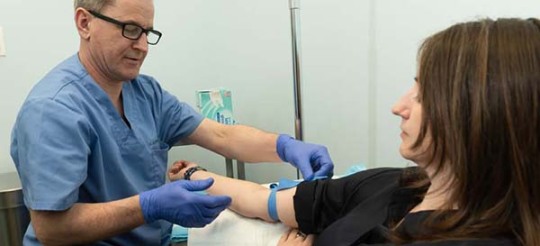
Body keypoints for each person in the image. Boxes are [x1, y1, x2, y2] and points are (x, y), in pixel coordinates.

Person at [168, 18, 540, 246]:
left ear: (475, 115)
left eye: (422, 94)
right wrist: (193, 175)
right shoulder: (394, 185)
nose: (399, 106)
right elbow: (261, 200)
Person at [9, 0, 334, 245]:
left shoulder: (144, 92)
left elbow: (221, 135)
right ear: (84, 23)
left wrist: (286, 147)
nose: (142, 45)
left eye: (148, 32)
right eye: (131, 29)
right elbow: (52, 228)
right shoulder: (53, 110)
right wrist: (149, 206)